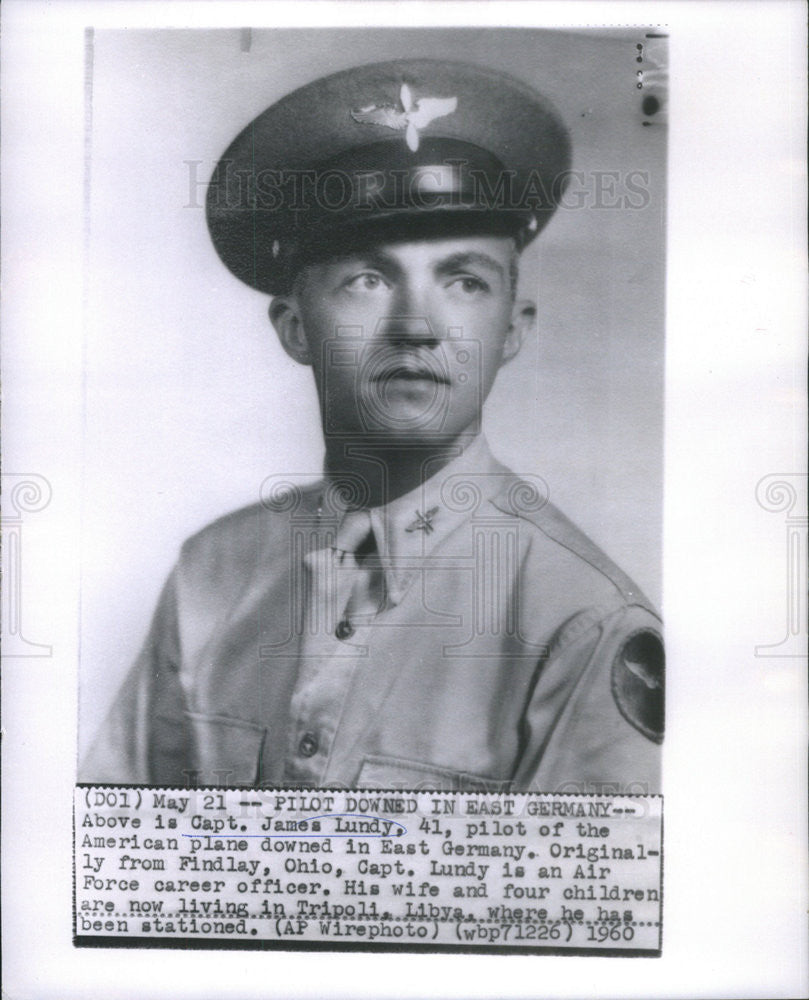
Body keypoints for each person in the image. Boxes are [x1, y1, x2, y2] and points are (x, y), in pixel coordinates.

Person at [81, 58, 663, 792]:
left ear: (512, 330)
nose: (416, 327)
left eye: (463, 282)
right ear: (295, 328)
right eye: (367, 279)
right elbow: (119, 864)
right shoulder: (210, 576)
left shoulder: (580, 622)